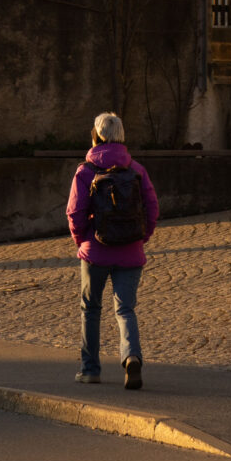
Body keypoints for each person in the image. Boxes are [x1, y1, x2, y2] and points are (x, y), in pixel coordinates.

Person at [67, 111, 159, 389]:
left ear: (96, 136)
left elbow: (75, 212)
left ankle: (90, 370)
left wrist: (82, 240)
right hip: (130, 251)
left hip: (95, 251)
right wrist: (141, 237)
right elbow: (152, 208)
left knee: (90, 309)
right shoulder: (137, 170)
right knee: (125, 309)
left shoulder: (86, 171)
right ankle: (131, 358)